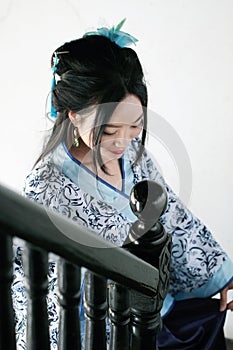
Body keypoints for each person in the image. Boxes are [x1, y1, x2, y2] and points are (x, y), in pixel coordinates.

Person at [12, 19, 233, 349]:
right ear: (73, 114)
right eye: (110, 130)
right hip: (101, 330)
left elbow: (170, 213)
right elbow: (33, 285)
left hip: (156, 308)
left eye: (135, 126)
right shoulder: (45, 188)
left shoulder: (133, 156)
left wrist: (219, 274)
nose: (124, 140)